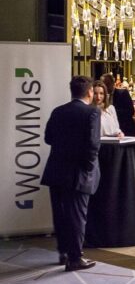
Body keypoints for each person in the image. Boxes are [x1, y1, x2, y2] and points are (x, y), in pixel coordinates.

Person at [41, 76, 100, 271]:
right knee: (77, 216)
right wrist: (89, 168)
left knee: (60, 215)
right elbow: (93, 145)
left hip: (56, 170)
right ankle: (75, 258)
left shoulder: (58, 111)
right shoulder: (92, 112)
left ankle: (64, 253)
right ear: (89, 92)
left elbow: (48, 138)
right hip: (78, 173)